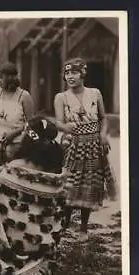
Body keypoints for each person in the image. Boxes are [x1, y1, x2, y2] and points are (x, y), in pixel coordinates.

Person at [0, 117, 66, 275]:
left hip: (13, 242)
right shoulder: (56, 171)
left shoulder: (13, 169)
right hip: (41, 246)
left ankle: (6, 258)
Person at [53, 57, 117, 241]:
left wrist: (103, 135)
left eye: (74, 72)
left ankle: (83, 228)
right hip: (72, 144)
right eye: (67, 73)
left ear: (83, 74)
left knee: (90, 185)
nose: (70, 77)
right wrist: (66, 128)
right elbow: (58, 122)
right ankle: (64, 224)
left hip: (93, 144)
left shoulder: (95, 93)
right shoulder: (61, 97)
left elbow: (103, 118)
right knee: (68, 185)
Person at [0, 62, 35, 199]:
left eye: (0, 78)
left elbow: (31, 123)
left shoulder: (24, 96)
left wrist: (13, 134)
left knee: (8, 157)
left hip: (16, 141)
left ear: (9, 78)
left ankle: (7, 194)